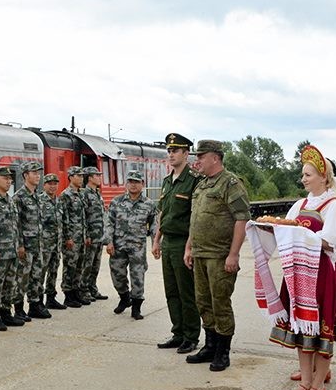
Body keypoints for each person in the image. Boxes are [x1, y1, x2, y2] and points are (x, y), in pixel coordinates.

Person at [267, 146, 336, 390]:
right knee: (301, 326)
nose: (303, 179)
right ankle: (305, 380)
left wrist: (306, 236)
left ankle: (318, 385)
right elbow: (286, 230)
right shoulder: (300, 205)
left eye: (308, 174)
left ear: (324, 177)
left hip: (322, 273)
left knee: (321, 328)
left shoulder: (334, 207)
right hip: (298, 272)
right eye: (303, 174)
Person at [184, 140, 250, 372]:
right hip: (200, 254)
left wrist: (234, 254)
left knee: (220, 302)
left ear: (216, 158)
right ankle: (209, 345)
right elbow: (196, 218)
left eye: (201, 156)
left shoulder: (230, 183)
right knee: (203, 302)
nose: (197, 161)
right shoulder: (202, 185)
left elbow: (241, 219)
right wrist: (189, 247)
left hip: (220, 255)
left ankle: (223, 351)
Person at [152, 133, 201, 352]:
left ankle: (191, 336)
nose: (171, 154)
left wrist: (189, 246)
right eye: (169, 151)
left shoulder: (194, 180)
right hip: (168, 241)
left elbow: (194, 216)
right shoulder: (167, 181)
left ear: (186, 153)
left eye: (175, 151)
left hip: (183, 242)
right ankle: (178, 332)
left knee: (186, 291)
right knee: (171, 291)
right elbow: (163, 213)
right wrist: (156, 240)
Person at [105, 170, 157, 319]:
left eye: (137, 182)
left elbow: (154, 226)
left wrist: (155, 244)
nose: (133, 185)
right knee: (117, 275)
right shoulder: (117, 202)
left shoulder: (149, 204)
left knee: (138, 277)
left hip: (137, 248)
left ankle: (136, 307)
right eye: (130, 182)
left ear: (143, 184)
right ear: (127, 184)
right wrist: (109, 241)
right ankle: (124, 298)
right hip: (118, 246)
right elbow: (109, 223)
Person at [0, 166, 24, 328]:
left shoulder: (10, 200)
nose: (9, 181)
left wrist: (20, 244)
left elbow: (17, 225)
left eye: (10, 178)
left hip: (12, 251)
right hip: (0, 252)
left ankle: (6, 313)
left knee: (10, 284)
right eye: (5, 178)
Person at [14, 161, 51, 320]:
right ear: (25, 175)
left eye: (39, 173)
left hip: (38, 245)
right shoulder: (19, 197)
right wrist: (20, 245)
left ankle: (35, 305)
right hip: (26, 246)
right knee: (22, 278)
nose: (38, 176)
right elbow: (16, 224)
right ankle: (18, 308)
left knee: (37, 276)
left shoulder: (37, 196)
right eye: (34, 173)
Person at [58, 165, 88, 307]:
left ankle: (76, 292)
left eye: (82, 176)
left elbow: (84, 217)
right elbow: (64, 218)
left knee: (79, 266)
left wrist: (86, 235)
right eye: (78, 176)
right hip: (71, 238)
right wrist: (67, 237)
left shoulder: (81, 194)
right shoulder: (66, 195)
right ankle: (68, 294)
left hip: (81, 237)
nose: (81, 178)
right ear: (70, 177)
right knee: (69, 266)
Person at [80, 166, 108, 302]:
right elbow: (83, 216)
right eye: (96, 175)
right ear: (89, 178)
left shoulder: (97, 193)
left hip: (99, 236)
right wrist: (87, 235)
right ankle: (83, 290)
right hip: (91, 236)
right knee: (88, 264)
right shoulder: (85, 193)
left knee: (96, 265)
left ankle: (92, 288)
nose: (99, 177)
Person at [39, 174, 66, 310]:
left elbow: (62, 222)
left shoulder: (59, 201)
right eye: (50, 183)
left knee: (54, 272)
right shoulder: (40, 201)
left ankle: (51, 298)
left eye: (55, 183)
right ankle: (38, 301)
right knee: (40, 273)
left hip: (56, 244)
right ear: (44, 185)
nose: (52, 186)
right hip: (44, 245)